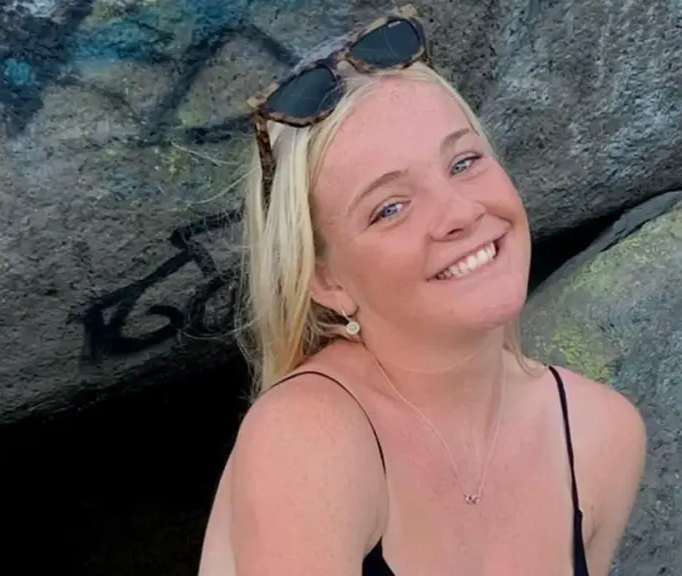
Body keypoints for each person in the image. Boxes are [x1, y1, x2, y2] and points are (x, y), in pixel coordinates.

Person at [198, 5, 646, 575]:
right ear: (327, 282)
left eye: (463, 162)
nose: (459, 213)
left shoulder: (601, 436)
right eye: (390, 208)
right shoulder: (308, 437)